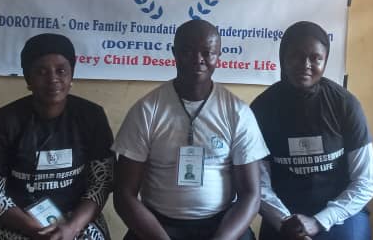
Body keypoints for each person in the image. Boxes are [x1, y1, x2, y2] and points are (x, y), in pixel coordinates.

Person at [113, 19, 269, 240]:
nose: (198, 60)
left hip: (222, 226)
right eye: (187, 51)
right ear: (174, 53)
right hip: (157, 227)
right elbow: (123, 195)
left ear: (218, 56)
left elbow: (251, 195)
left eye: (207, 53)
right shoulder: (147, 110)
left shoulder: (237, 112)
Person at [0, 33, 115, 240]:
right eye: (41, 71)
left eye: (61, 70)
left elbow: (101, 183)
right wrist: (34, 230)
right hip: (18, 219)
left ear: (71, 75)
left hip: (76, 220)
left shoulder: (91, 116)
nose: (53, 79)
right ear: (28, 79)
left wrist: (72, 228)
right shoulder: (5, 120)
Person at [250, 22, 373, 240]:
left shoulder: (345, 104)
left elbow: (366, 181)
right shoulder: (262, 109)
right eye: (296, 56)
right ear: (283, 57)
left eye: (315, 58)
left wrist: (319, 221)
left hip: (341, 213)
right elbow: (258, 184)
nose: (305, 65)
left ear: (325, 60)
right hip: (283, 214)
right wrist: (286, 222)